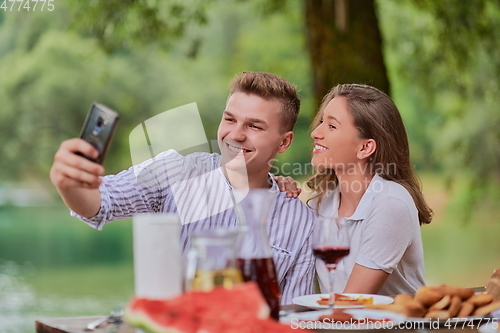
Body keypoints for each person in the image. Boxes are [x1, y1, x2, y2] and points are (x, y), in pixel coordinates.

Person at [50, 71, 316, 304]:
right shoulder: (176, 172)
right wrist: (71, 183)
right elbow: (100, 203)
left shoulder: (301, 221)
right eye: (230, 119)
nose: (236, 135)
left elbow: (293, 318)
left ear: (284, 143)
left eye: (254, 126)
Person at [306, 83, 433, 296]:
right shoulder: (320, 202)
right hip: (343, 325)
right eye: (321, 122)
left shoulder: (391, 203)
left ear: (365, 148)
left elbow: (352, 303)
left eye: (332, 126)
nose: (315, 133)